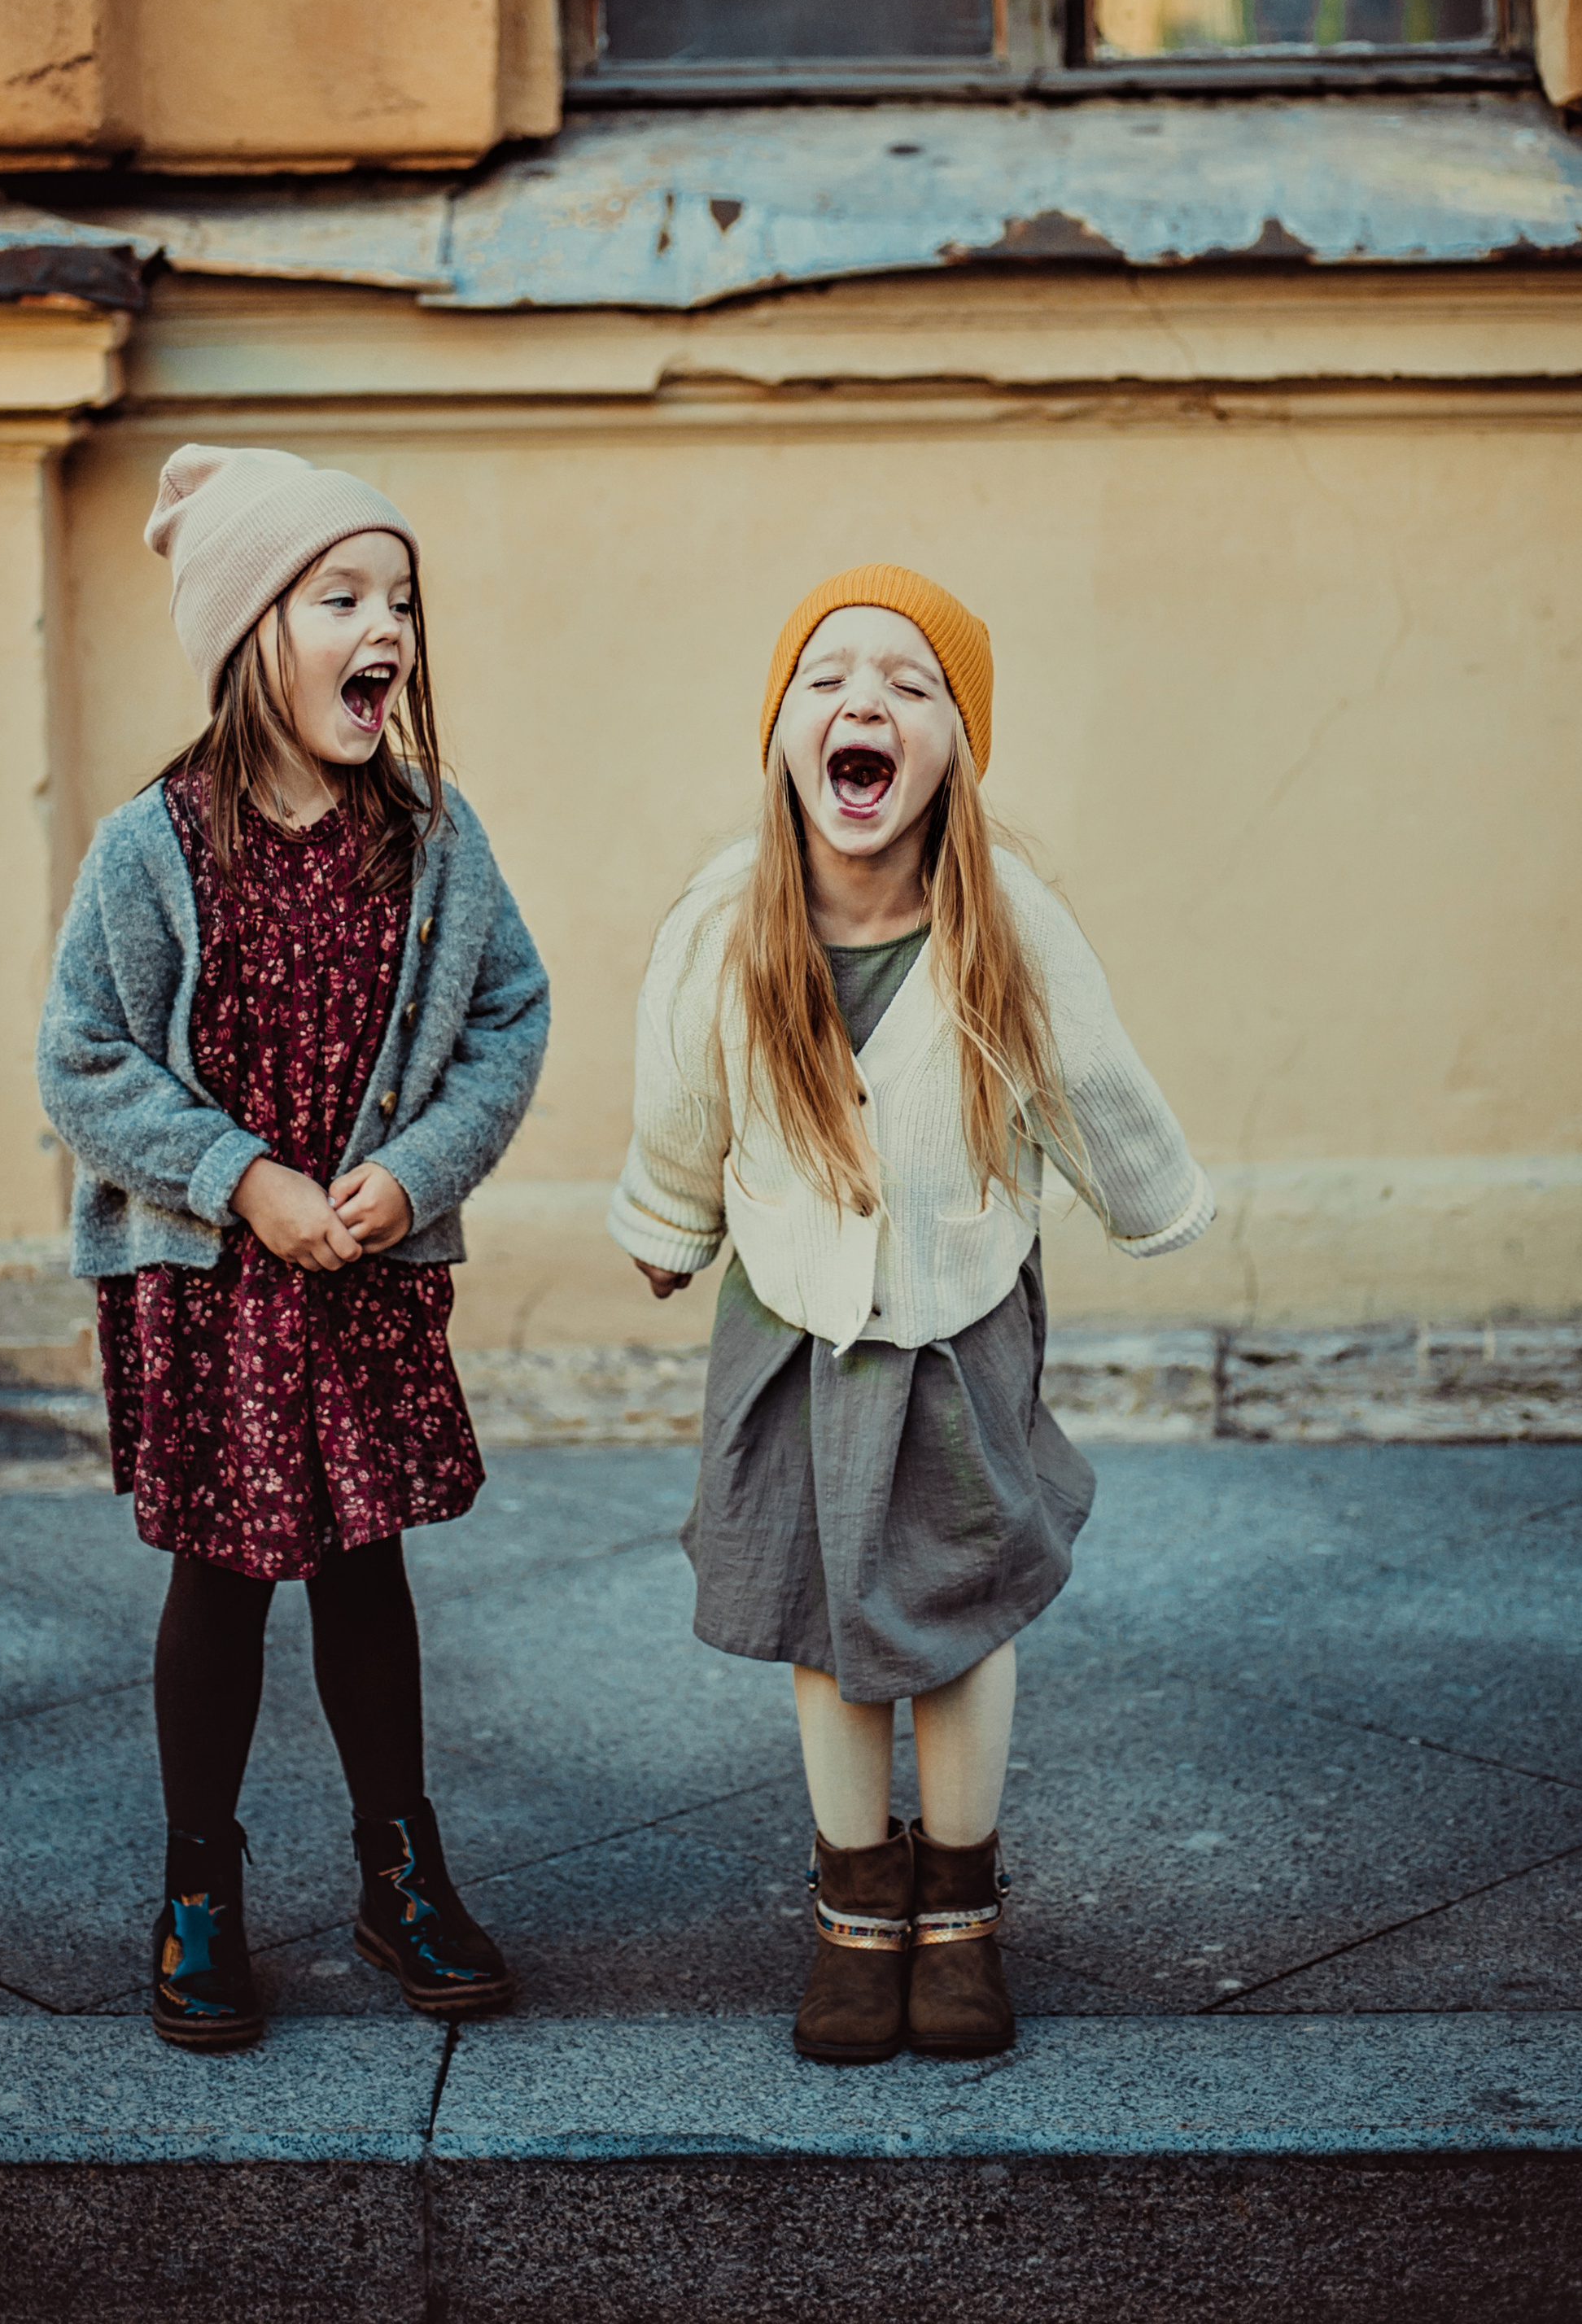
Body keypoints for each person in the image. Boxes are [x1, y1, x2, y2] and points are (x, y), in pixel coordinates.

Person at [610, 564, 1211, 2066]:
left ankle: (960, 1904)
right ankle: (852, 1902)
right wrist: (668, 1223)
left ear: (954, 744)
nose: (861, 701)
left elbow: (1097, 1080)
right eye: (825, 678)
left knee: (957, 1604)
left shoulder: (1010, 924)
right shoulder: (722, 924)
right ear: (782, 735)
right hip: (793, 1319)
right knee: (826, 1612)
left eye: (908, 681)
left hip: (958, 1315)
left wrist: (1154, 1202)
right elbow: (681, 1098)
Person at [37, 443, 548, 2051]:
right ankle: (200, 1882)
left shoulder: (430, 842)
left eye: (397, 598)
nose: (382, 624)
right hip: (214, 1290)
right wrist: (235, 1174)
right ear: (250, 627)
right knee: (220, 1581)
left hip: (360, 1279)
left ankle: (397, 1868)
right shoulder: (151, 850)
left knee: (364, 1569)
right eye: (341, 594)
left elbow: (505, 1018)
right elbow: (82, 1058)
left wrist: (409, 1175)